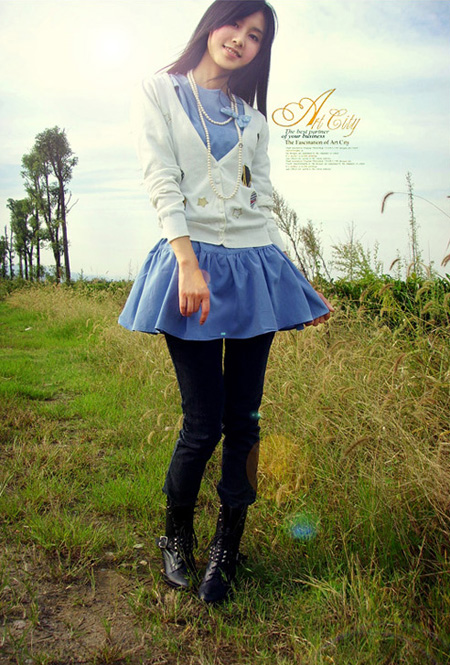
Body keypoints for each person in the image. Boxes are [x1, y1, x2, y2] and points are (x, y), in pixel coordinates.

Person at [119, 0, 332, 604]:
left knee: (245, 419)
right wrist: (188, 264)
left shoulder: (253, 121)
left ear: (262, 51)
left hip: (253, 267)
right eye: (235, 23)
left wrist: (293, 280)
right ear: (212, 25)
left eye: (256, 35)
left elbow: (261, 203)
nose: (241, 39)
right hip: (191, 265)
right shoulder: (160, 91)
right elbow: (161, 179)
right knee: (202, 422)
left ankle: (227, 546)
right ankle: (175, 534)